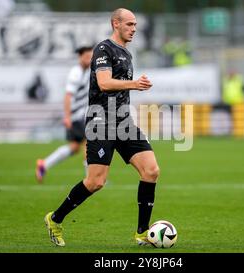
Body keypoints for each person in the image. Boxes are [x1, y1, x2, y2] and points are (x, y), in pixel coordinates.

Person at [44, 8, 158, 247]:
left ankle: (142, 233)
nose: (134, 28)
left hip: (124, 122)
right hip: (101, 122)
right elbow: (104, 83)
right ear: (115, 24)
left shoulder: (127, 54)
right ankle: (55, 218)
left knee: (151, 171)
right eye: (129, 24)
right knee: (95, 182)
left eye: (135, 24)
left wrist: (135, 86)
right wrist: (135, 84)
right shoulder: (103, 49)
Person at [36, 46, 93, 183]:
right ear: (80, 57)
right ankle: (91, 179)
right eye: (87, 57)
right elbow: (68, 96)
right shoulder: (76, 73)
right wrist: (67, 116)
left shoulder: (87, 71)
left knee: (74, 147)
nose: (90, 60)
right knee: (89, 144)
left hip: (80, 115)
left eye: (91, 57)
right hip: (77, 116)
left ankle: (44, 164)